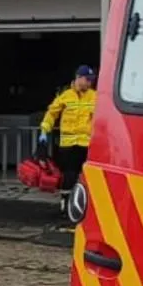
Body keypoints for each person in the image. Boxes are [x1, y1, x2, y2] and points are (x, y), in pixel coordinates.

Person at [38, 65, 96, 209]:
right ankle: (66, 203)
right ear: (78, 78)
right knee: (69, 176)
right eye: (87, 79)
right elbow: (52, 113)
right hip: (68, 145)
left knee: (87, 176)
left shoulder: (95, 96)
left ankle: (85, 205)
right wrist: (44, 131)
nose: (89, 83)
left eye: (91, 80)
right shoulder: (65, 96)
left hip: (86, 144)